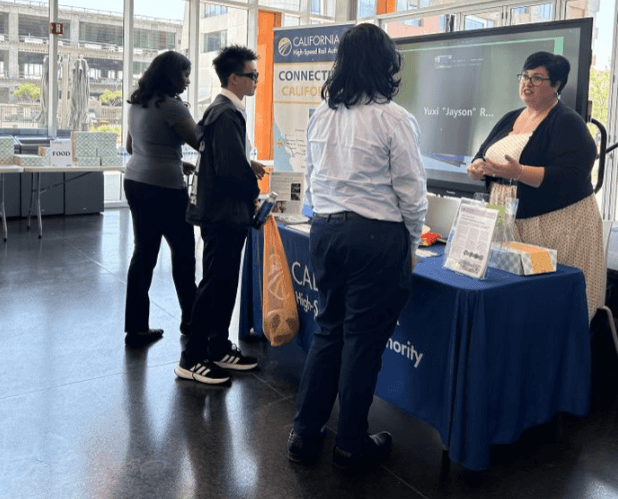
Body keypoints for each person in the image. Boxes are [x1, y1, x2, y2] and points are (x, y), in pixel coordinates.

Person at [287, 23, 428, 470]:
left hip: (325, 231)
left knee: (328, 332)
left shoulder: (321, 114)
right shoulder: (394, 118)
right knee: (363, 342)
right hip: (376, 238)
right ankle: (350, 442)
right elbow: (410, 192)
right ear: (386, 64)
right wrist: (410, 238)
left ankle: (304, 435)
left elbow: (313, 179)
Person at [467, 51, 603, 321]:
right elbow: (484, 153)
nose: (527, 83)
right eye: (525, 76)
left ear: (556, 86)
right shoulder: (511, 117)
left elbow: (573, 175)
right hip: (508, 222)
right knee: (515, 302)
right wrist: (477, 167)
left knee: (548, 304)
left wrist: (519, 172)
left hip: (558, 227)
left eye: (538, 78)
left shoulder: (567, 122)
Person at [175, 45, 267, 385]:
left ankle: (217, 346)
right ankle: (192, 357)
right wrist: (255, 194)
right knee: (214, 285)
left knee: (225, 283)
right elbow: (229, 171)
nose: (256, 80)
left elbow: (223, 160)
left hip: (224, 213)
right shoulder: (226, 114)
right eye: (251, 75)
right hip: (224, 215)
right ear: (234, 78)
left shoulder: (223, 111)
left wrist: (248, 164)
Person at [123, 50, 199, 345]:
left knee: (143, 254)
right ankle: (191, 320)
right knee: (183, 254)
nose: (188, 81)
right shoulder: (171, 106)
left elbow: (134, 147)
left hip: (136, 183)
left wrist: (176, 162)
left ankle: (136, 327)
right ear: (171, 75)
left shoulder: (137, 103)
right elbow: (200, 141)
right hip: (166, 189)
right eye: (184, 74)